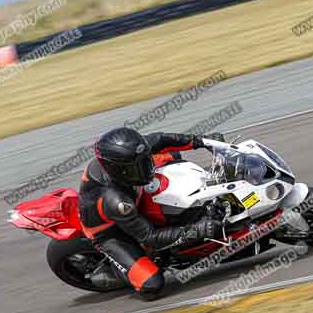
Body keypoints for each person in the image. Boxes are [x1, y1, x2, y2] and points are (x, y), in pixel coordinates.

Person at [78, 127, 224, 299]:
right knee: (152, 285)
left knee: (173, 156)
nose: (147, 167)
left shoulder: (130, 152)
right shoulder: (117, 202)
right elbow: (151, 237)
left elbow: (162, 139)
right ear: (118, 170)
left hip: (134, 199)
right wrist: (197, 230)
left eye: (145, 161)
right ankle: (116, 271)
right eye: (136, 168)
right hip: (110, 232)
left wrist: (203, 141)